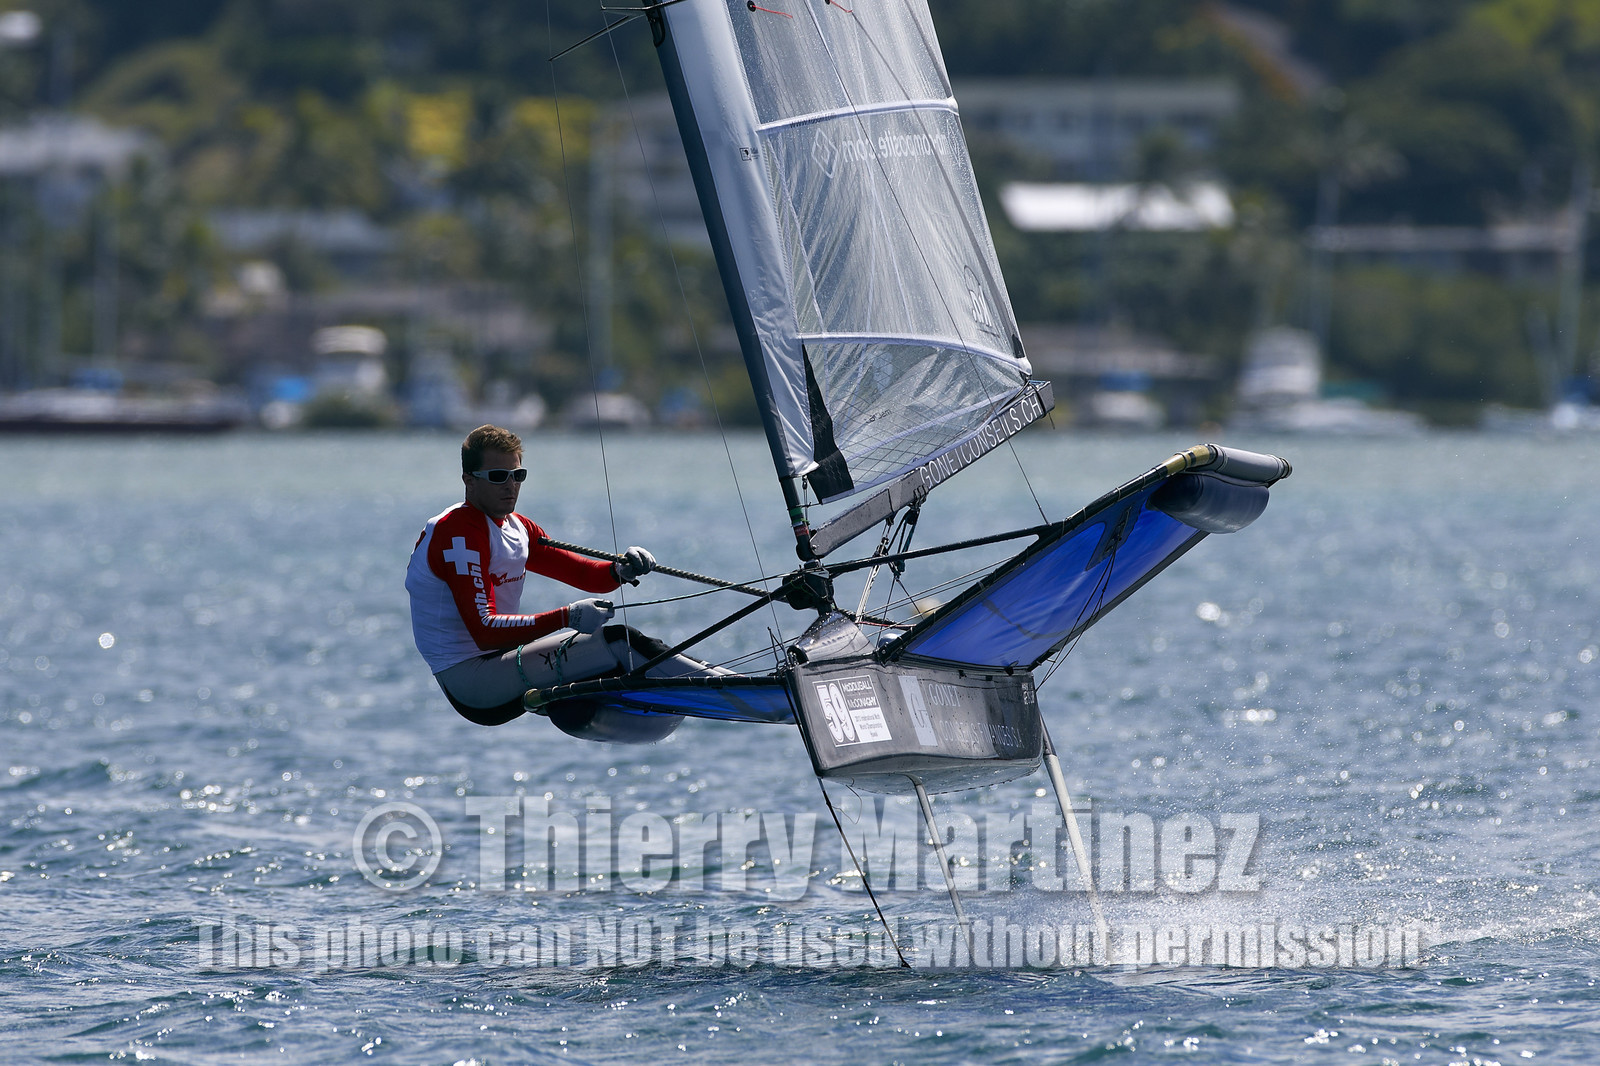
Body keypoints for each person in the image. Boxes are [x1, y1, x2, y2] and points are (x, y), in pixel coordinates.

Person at [406, 424, 722, 728]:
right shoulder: (456, 533)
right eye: (499, 476)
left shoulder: (518, 528)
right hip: (472, 682)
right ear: (469, 480)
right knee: (619, 641)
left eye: (518, 476)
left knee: (622, 651)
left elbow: (584, 574)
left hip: (501, 662)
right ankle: (726, 687)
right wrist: (566, 617)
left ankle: (712, 684)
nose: (510, 486)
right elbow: (485, 631)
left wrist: (620, 570)